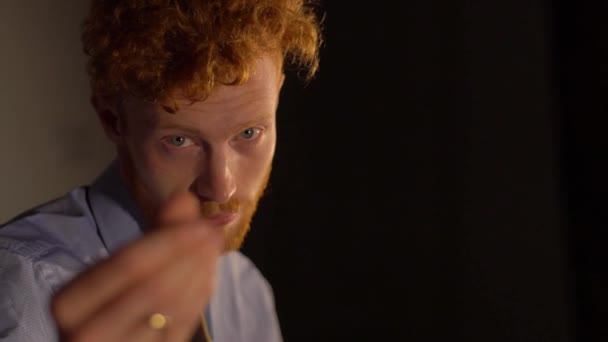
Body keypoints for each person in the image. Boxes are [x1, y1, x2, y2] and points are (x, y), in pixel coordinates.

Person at [0, 0, 321, 341]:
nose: (221, 187)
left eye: (249, 133)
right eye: (180, 140)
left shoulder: (246, 292)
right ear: (112, 119)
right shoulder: (19, 291)